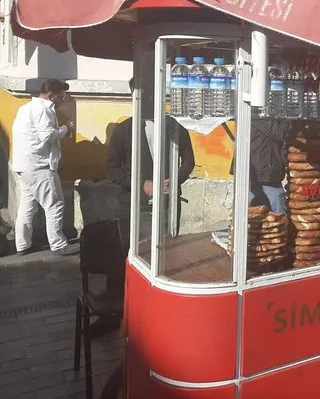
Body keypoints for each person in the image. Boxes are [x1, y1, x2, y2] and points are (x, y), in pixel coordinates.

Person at [95, 78, 194, 336]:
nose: (150, 99)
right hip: (132, 205)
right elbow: (111, 169)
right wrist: (142, 184)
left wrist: (175, 179)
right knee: (124, 259)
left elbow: (189, 161)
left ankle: (161, 314)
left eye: (154, 94)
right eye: (145, 94)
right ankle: (114, 314)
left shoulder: (174, 125)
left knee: (167, 253)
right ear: (134, 95)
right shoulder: (123, 130)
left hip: (168, 204)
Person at [11, 79, 79, 256]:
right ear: (51, 95)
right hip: (39, 166)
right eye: (61, 95)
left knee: (27, 207)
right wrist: (65, 129)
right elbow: (47, 135)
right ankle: (58, 244)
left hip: (23, 165)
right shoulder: (43, 109)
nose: (62, 99)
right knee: (54, 204)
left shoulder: (25, 108)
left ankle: (22, 245)